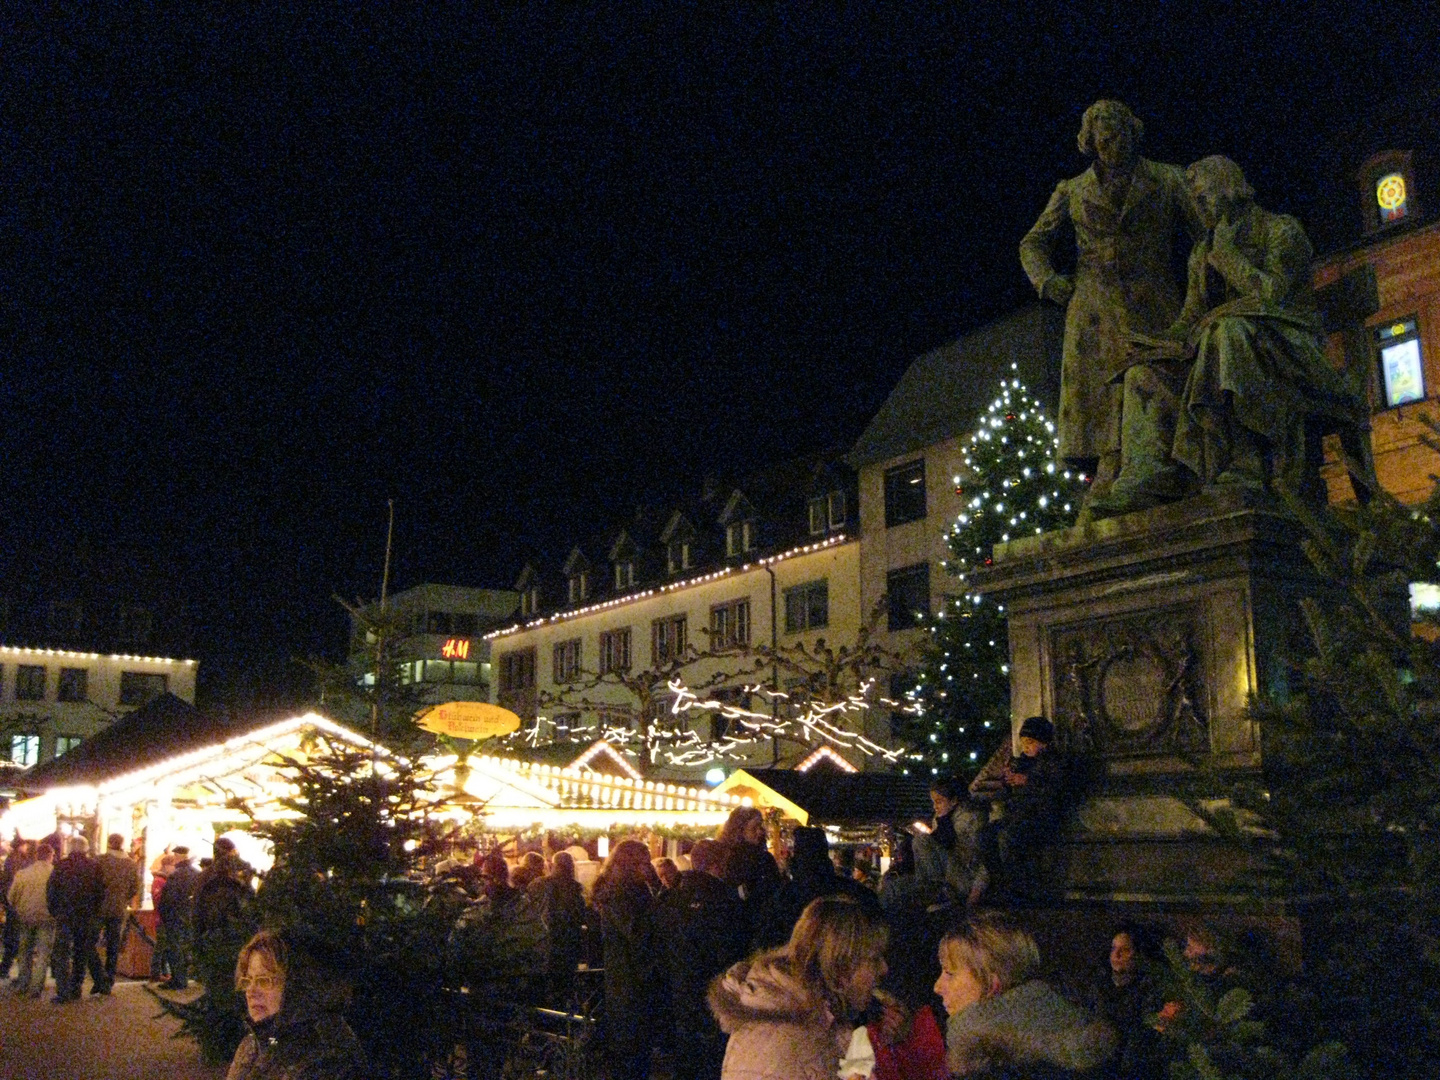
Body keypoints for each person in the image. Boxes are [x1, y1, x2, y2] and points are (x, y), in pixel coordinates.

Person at [1020, 99, 1204, 513]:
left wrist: (1204, 287)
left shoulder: (1168, 179)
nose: (1111, 146)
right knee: (1100, 391)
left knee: (1151, 377)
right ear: (1091, 144)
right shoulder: (1071, 190)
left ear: (1132, 133)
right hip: (1094, 305)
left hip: (1154, 298)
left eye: (1117, 136)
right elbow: (1032, 242)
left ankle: (1161, 464)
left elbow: (1206, 235)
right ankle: (1110, 467)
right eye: (1102, 141)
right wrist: (1048, 281)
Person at [708, 894, 890, 1080]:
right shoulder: (775, 1050)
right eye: (874, 959)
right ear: (840, 966)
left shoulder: (823, 1018)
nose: (884, 968)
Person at [935, 914, 1115, 1078]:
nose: (937, 987)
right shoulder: (1075, 1029)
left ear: (992, 985)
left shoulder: (986, 1065)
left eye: (950, 973)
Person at [654, 838, 750, 1080]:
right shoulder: (725, 899)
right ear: (718, 864)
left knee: (686, 1053)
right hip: (715, 988)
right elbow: (733, 947)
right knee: (712, 1057)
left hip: (679, 988)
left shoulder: (669, 899)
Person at [226, 929, 368, 1080]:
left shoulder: (327, 1058)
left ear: (298, 986)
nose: (251, 991)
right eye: (247, 981)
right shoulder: (253, 1044)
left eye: (264, 980)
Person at [592, 839, 663, 1079]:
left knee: (633, 1049)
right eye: (645, 861)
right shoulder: (622, 894)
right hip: (630, 980)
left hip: (628, 979)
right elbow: (637, 932)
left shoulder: (623, 891)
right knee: (631, 1050)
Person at [753, 827, 877, 951]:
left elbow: (767, 942)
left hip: (796, 964)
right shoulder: (854, 892)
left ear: (796, 855)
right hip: (841, 961)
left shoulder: (783, 898)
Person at [46, 836, 106, 1002]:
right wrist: (94, 911)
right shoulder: (94, 866)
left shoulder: (61, 866)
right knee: (81, 952)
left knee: (62, 953)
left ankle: (63, 991)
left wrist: (55, 911)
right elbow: (101, 892)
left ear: (70, 848)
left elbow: (51, 890)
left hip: (65, 915)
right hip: (86, 916)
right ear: (86, 848)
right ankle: (76, 986)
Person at [912, 776, 987, 908]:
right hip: (950, 872)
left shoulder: (971, 820)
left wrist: (974, 895)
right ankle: (928, 889)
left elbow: (983, 859)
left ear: (953, 801)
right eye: (933, 802)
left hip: (966, 877)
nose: (935, 807)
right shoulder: (941, 819)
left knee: (922, 841)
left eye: (939, 802)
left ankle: (938, 889)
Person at [528, 850, 587, 1006]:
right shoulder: (576, 891)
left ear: (553, 865)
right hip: (567, 948)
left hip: (542, 945)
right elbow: (580, 917)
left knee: (543, 991)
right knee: (563, 990)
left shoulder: (538, 885)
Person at [715, 807, 781, 933]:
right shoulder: (729, 859)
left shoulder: (764, 858)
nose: (760, 832)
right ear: (740, 830)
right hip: (741, 926)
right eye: (754, 828)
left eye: (760, 826)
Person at [7, 841, 56, 998]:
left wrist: (20, 908)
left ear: (36, 856)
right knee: (42, 954)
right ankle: (35, 988)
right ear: (51, 856)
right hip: (47, 918)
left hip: (26, 917)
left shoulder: (23, 873)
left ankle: (23, 983)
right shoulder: (54, 874)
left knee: (24, 952)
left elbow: (11, 897)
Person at [95, 833, 141, 993]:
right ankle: (108, 980)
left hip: (99, 908)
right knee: (113, 946)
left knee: (90, 943)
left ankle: (99, 976)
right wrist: (123, 898)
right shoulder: (130, 864)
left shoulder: (100, 861)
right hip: (118, 909)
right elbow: (135, 888)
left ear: (109, 843)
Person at [156, 846, 200, 990]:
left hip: (175, 917)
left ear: (177, 856)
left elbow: (168, 899)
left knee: (174, 948)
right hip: (191, 916)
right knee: (187, 947)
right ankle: (188, 977)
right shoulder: (196, 874)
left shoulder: (176, 875)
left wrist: (164, 915)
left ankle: (178, 979)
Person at [195, 837, 253, 938]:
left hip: (210, 936)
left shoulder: (205, 876)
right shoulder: (238, 874)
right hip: (235, 935)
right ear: (232, 852)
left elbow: (197, 908)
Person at [1, 839, 35, 978]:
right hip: (16, 903)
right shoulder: (17, 860)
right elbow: (14, 882)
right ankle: (7, 968)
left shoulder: (13, 859)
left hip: (13, 903)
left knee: (13, 937)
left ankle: (6, 967)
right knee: (16, 938)